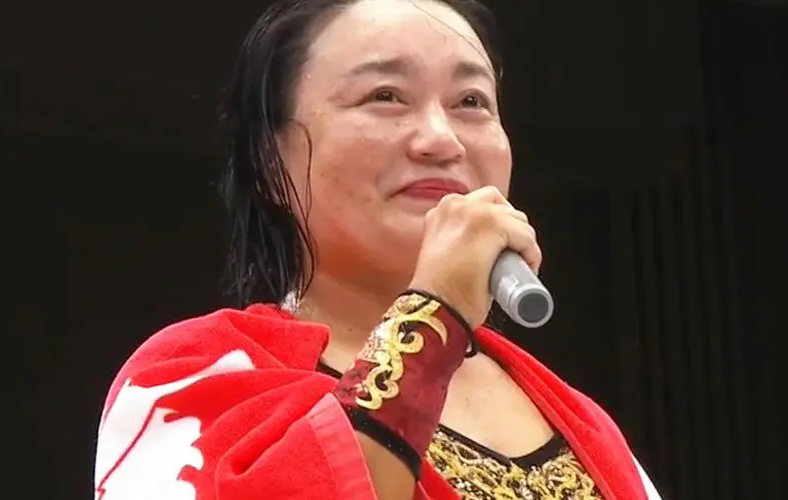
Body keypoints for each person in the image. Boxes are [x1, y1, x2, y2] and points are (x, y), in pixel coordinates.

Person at [93, 0, 662, 498]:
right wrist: (434, 315)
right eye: (385, 96)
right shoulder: (196, 376)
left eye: (471, 101)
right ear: (269, 160)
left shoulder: (579, 421)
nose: (441, 139)